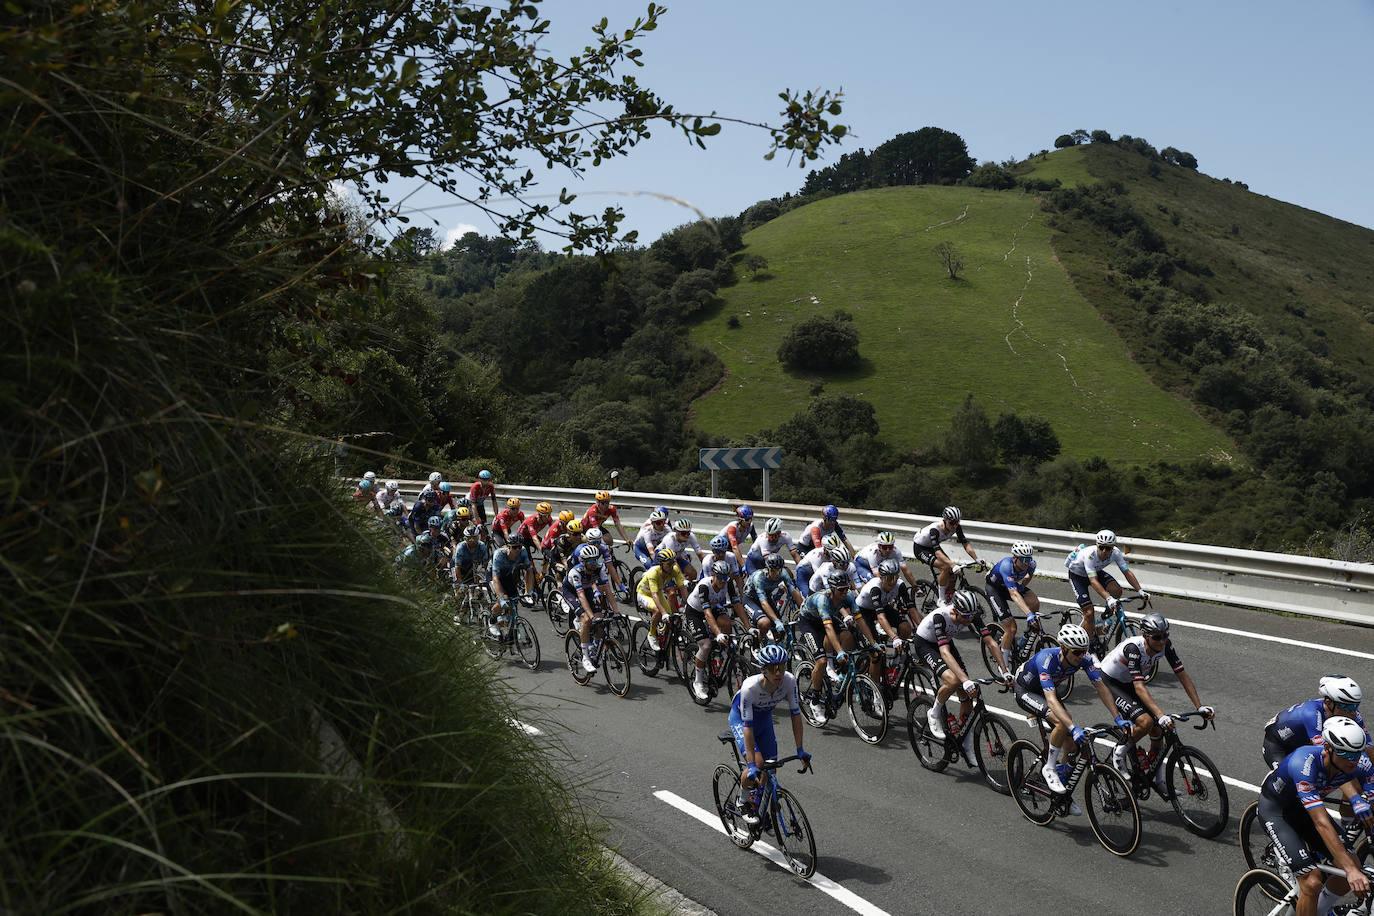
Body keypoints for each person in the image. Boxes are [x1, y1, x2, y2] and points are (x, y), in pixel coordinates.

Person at [1258, 718, 1374, 916]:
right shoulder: (1303, 764)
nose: (1353, 760)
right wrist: (1351, 871)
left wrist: (1363, 798)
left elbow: (1371, 783)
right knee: (1312, 882)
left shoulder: (1354, 762)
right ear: (1327, 748)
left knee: (1353, 864)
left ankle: (1319, 910)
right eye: (1346, 753)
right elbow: (1321, 823)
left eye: (1357, 753)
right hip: (1278, 812)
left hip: (1305, 811)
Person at [1097, 612, 1214, 794]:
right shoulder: (1133, 649)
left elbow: (1182, 675)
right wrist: (1160, 715)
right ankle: (1119, 751)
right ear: (1145, 636)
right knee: (1146, 722)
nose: (1162, 641)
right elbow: (1139, 688)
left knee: (1159, 730)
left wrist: (1199, 706)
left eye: (1165, 636)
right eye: (1157, 637)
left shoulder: (1165, 645)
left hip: (1129, 683)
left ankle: (1158, 780)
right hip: (1110, 681)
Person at [1012, 624, 1126, 802]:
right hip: (1026, 690)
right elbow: (1051, 699)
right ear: (1064, 649)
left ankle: (1061, 789)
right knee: (1062, 723)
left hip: (1046, 690)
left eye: (1084, 651)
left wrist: (1117, 717)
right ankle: (1049, 768)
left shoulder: (1084, 658)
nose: (1081, 656)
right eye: (1076, 652)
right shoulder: (1046, 659)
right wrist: (1072, 728)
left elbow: (1101, 688)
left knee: (1072, 746)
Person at [912, 591, 1010, 757]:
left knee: (967, 694)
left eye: (971, 616)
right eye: (965, 617)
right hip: (926, 644)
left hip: (945, 642)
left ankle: (965, 742)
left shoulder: (971, 615)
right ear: (954, 611)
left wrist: (1005, 670)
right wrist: (964, 680)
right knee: (953, 680)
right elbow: (944, 653)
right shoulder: (940, 617)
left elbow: (991, 643)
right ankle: (934, 712)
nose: (968, 620)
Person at [728, 643, 810, 826]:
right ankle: (742, 801)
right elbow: (747, 728)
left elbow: (796, 716)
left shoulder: (789, 682)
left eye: (781, 667)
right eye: (773, 669)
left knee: (770, 768)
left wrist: (800, 749)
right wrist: (751, 763)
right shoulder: (751, 688)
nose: (778, 673)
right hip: (741, 720)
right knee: (757, 764)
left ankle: (757, 804)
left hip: (764, 719)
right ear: (764, 670)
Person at [793, 571, 866, 722]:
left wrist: (873, 643)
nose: (845, 592)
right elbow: (828, 629)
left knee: (847, 636)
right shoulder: (822, 599)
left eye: (846, 588)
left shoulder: (849, 596)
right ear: (832, 589)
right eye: (841, 590)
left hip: (825, 618)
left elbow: (860, 621)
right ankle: (815, 699)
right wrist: (839, 651)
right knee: (821, 661)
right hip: (809, 622)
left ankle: (839, 669)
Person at [1065, 529, 1149, 646]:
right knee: (1089, 613)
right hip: (1077, 575)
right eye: (1101, 547)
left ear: (1113, 548)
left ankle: (1102, 620)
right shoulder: (1090, 555)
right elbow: (1093, 581)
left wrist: (1140, 590)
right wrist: (1109, 599)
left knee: (1117, 590)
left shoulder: (1116, 553)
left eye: (1108, 548)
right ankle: (1081, 646)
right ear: (1097, 545)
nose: (1104, 551)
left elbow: (1126, 572)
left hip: (1095, 571)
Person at [1264, 677, 1366, 770]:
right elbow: (1322, 751)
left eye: (1355, 706)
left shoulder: (1351, 713)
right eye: (1347, 707)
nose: (1353, 712)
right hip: (1278, 745)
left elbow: (1368, 746)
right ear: (1328, 702)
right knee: (1291, 777)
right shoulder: (1311, 713)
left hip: (1303, 743)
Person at [685, 561, 747, 701]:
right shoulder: (704, 586)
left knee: (727, 623)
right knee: (706, 645)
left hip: (713, 607)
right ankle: (698, 682)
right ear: (713, 575)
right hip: (695, 612)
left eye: (725, 578)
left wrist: (749, 628)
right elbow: (707, 614)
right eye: (720, 578)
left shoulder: (728, 582)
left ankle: (721, 652)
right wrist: (718, 634)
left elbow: (737, 605)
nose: (723, 581)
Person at [985, 541, 1040, 672]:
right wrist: (1029, 614)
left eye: (1029, 559)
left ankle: (1027, 634)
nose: (1027, 562)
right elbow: (1014, 594)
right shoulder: (1006, 566)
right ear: (1015, 558)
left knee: (1034, 602)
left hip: (1010, 586)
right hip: (995, 589)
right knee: (1011, 628)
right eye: (1024, 559)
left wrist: (1022, 587)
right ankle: (1003, 667)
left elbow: (1028, 577)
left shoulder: (1031, 564)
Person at [564, 544, 617, 675]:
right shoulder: (575, 572)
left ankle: (594, 647)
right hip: (572, 592)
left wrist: (617, 612)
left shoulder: (600, 568)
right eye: (591, 561)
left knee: (601, 621)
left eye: (596, 559)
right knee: (587, 620)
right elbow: (581, 597)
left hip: (587, 589)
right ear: (583, 562)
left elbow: (608, 590)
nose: (595, 563)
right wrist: (590, 616)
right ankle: (585, 657)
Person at [911, 506, 979, 603]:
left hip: (933, 547)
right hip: (921, 548)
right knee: (945, 567)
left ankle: (949, 594)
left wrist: (976, 559)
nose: (955, 526)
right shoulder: (935, 529)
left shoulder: (956, 527)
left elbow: (965, 544)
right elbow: (938, 553)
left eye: (957, 522)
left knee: (954, 570)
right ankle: (941, 599)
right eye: (952, 523)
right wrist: (952, 564)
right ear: (945, 520)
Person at [636, 546, 689, 652]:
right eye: (669, 564)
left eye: (673, 562)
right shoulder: (653, 573)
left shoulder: (674, 569)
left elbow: (682, 587)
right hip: (644, 594)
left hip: (658, 592)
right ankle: (651, 634)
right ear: (661, 564)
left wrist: (687, 603)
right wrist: (663, 612)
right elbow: (654, 595)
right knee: (659, 611)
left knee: (672, 618)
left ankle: (664, 637)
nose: (672, 565)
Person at [855, 559, 920, 645]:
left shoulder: (900, 585)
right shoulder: (875, 588)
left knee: (905, 627)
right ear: (881, 578)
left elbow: (911, 608)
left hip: (883, 606)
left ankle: (900, 651)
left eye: (895, 577)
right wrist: (894, 637)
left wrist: (921, 628)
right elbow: (880, 616)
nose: (893, 581)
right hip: (864, 610)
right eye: (889, 578)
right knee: (875, 645)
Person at [742, 554, 803, 642]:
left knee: (780, 632)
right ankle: (758, 642)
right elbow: (764, 603)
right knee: (765, 623)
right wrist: (776, 620)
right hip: (750, 599)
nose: (776, 574)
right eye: (773, 571)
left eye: (778, 570)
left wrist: (803, 609)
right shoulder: (759, 578)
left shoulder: (783, 574)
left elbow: (794, 592)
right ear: (767, 569)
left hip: (766, 597)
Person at [582, 491, 632, 598]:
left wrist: (626, 539)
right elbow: (596, 533)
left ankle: (609, 560)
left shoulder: (611, 509)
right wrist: (603, 547)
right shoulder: (592, 511)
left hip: (597, 528)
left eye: (607, 502)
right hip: (587, 530)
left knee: (610, 540)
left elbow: (618, 524)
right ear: (597, 502)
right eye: (603, 503)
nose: (605, 505)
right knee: (596, 549)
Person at [488, 537, 532, 639]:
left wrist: (529, 591)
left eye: (519, 547)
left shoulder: (523, 551)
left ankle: (511, 628)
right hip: (494, 575)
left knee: (513, 603)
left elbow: (529, 570)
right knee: (503, 600)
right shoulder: (499, 554)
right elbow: (495, 579)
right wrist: (502, 597)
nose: (517, 550)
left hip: (508, 575)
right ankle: (492, 620)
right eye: (514, 547)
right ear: (508, 547)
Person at [855, 531, 920, 590]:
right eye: (885, 547)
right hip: (862, 564)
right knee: (875, 583)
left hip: (878, 565)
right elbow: (876, 573)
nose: (888, 550)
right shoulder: (873, 553)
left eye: (890, 547)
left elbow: (905, 569)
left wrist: (915, 586)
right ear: (879, 546)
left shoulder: (896, 551)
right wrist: (889, 584)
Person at [793, 534, 839, 600]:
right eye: (831, 552)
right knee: (808, 599)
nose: (834, 554)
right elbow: (818, 576)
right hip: (803, 572)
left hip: (815, 571)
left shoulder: (833, 555)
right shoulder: (817, 556)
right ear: (825, 549)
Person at [452, 525, 491, 590]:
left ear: (478, 537)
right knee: (459, 587)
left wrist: (481, 576)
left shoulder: (482, 546)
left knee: (480, 581)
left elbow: (485, 563)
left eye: (474, 538)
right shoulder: (460, 547)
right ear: (465, 538)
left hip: (473, 564)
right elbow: (457, 567)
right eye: (469, 538)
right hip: (458, 566)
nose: (472, 540)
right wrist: (460, 582)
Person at [719, 505, 756, 570]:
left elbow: (756, 542)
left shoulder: (751, 526)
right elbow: (735, 547)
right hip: (721, 548)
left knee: (738, 571)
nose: (749, 522)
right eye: (747, 519)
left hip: (731, 547)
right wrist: (743, 565)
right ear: (740, 520)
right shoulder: (732, 528)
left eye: (751, 519)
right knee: (727, 569)